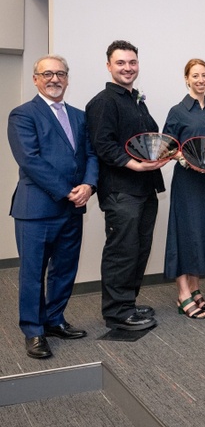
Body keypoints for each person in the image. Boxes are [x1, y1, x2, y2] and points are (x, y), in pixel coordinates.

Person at [8, 55, 99, 358]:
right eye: (47, 74)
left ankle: (55, 320)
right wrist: (68, 191)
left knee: (64, 270)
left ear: (68, 79)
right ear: (36, 79)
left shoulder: (79, 115)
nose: (54, 79)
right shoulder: (22, 115)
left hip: (72, 209)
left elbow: (90, 154)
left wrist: (89, 185)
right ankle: (34, 331)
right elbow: (30, 160)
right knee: (33, 273)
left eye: (60, 73)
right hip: (36, 209)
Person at [86, 40, 169, 331]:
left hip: (144, 188)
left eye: (132, 62)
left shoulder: (136, 100)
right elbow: (102, 145)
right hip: (121, 190)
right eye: (120, 63)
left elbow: (147, 141)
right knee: (122, 251)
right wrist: (134, 164)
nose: (127, 68)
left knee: (139, 249)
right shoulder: (103, 102)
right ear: (109, 66)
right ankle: (116, 313)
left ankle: (128, 303)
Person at [163, 59, 205, 319]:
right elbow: (168, 146)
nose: (201, 80)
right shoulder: (177, 111)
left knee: (202, 232)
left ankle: (195, 288)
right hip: (188, 181)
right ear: (186, 79)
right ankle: (182, 294)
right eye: (195, 76)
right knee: (185, 232)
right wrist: (183, 158)